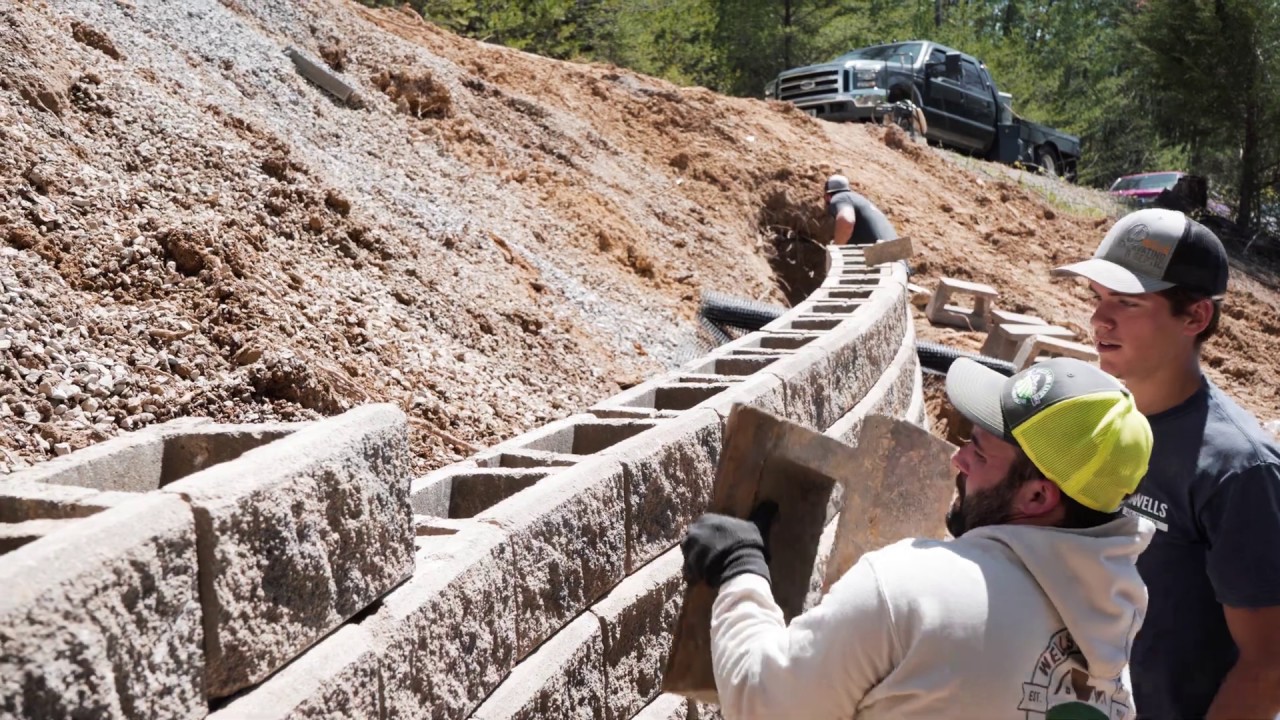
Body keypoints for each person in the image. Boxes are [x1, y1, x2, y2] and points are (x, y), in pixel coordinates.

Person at [682, 357, 1155, 720]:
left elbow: (764, 702)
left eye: (978, 453)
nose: (957, 460)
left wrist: (740, 569)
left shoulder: (909, 588)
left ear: (1036, 496)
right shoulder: (1109, 629)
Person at [1053, 208, 1280, 719]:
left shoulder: (1239, 469)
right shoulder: (1098, 421)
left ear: (1195, 317)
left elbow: (1269, 667)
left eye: (1127, 302)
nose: (1099, 319)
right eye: (1098, 297)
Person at [823, 174, 898, 246]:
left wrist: (837, 245)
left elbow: (846, 220)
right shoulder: (858, 199)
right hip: (896, 249)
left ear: (827, 196)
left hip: (881, 251)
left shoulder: (840, 198)